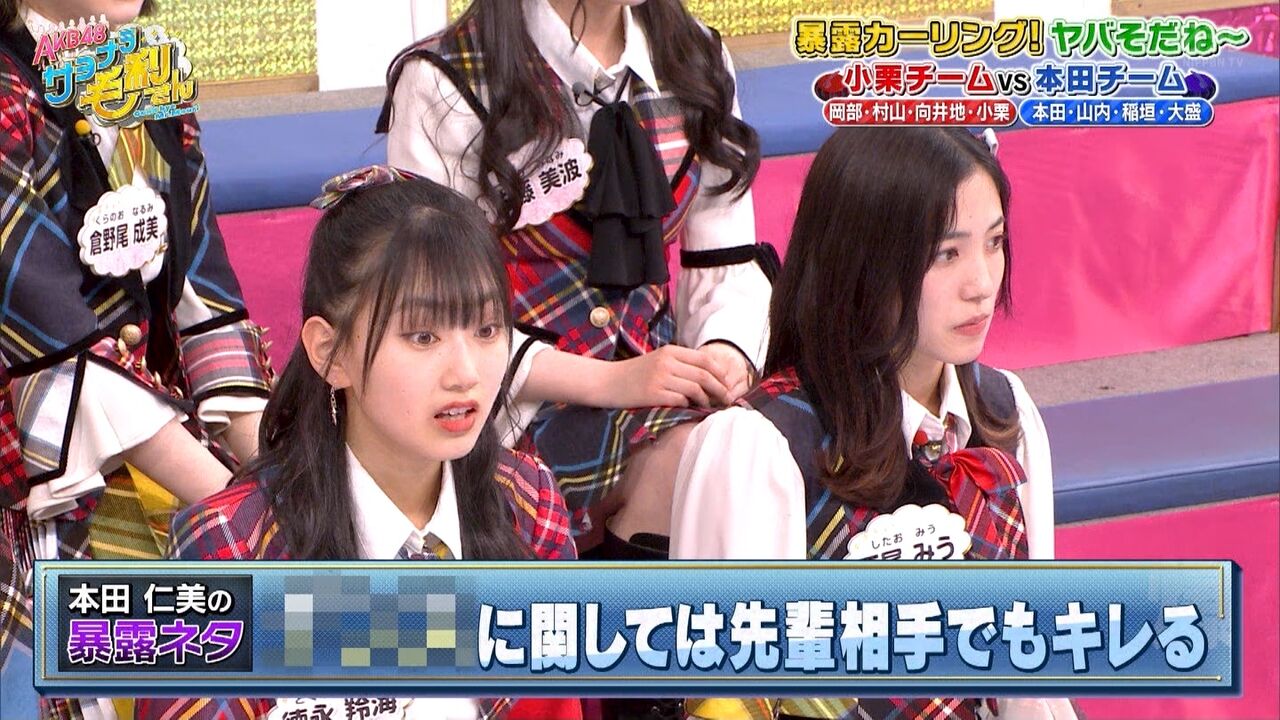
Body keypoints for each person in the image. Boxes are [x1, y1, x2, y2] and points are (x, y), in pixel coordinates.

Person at [135, 168, 579, 720]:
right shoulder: (227, 547)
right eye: (423, 336)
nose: (466, 373)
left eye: (487, 330)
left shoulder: (527, 500)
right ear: (330, 352)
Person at [671, 128, 1076, 720]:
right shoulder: (763, 447)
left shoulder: (1005, 412)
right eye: (946, 254)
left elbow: (1029, 675)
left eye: (994, 243)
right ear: (861, 261)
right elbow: (725, 697)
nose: (982, 285)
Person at [379, 0, 776, 562]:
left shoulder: (695, 56)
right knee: (703, 461)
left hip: (662, 384)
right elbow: (434, 321)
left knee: (755, 448)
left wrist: (723, 352)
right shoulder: (446, 79)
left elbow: (725, 260)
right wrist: (614, 382)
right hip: (506, 410)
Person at [1, 2, 272, 717]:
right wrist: (251, 514)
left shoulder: (144, 75)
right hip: (31, 501)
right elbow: (51, 343)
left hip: (165, 469)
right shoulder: (5, 91)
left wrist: (287, 479)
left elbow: (204, 299)